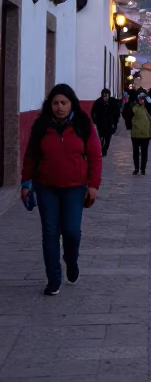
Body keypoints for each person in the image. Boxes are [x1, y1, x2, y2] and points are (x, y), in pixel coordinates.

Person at [21, 83, 102, 296]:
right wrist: (25, 183)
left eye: (64, 103)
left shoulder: (84, 125)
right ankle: (53, 278)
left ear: (71, 103)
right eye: (56, 103)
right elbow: (30, 156)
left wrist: (93, 185)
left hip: (75, 188)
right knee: (49, 233)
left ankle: (71, 259)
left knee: (72, 232)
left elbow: (95, 157)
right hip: (46, 187)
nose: (60, 107)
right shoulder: (41, 126)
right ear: (50, 104)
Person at [124, 90, 151, 175]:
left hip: (142, 133)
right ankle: (139, 168)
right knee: (139, 152)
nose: (142, 100)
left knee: (141, 152)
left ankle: (141, 168)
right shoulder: (135, 107)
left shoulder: (147, 107)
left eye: (143, 99)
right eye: (141, 98)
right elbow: (127, 116)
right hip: (138, 133)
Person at [90, 88, 120, 155]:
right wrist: (94, 120)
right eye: (104, 95)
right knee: (100, 136)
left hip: (110, 124)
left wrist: (115, 123)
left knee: (108, 137)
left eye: (107, 95)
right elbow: (93, 111)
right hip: (100, 123)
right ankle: (100, 148)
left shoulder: (113, 102)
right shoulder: (98, 102)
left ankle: (105, 150)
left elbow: (117, 113)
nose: (106, 97)